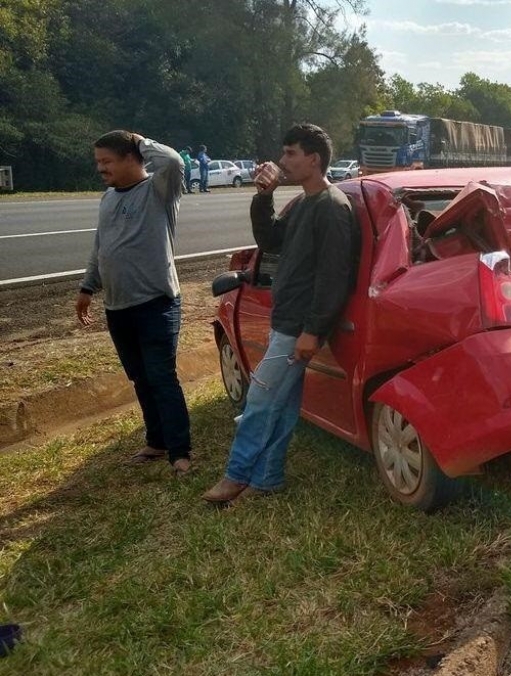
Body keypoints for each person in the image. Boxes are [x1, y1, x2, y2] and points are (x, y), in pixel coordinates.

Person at [202, 123, 358, 504]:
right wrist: (263, 196)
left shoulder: (333, 208)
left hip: (298, 327)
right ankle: (268, 478)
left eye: (290, 153)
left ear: (313, 159)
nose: (282, 161)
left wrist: (312, 331)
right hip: (286, 320)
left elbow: (333, 278)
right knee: (282, 406)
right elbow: (271, 240)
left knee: (259, 401)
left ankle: (236, 475)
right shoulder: (305, 203)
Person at [76, 131, 192, 475]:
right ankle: (156, 442)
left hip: (157, 304)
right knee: (140, 378)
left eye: (107, 161)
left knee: (161, 376)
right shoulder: (108, 198)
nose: (101, 168)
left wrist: (141, 141)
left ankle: (180, 452)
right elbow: (101, 246)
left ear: (131, 158)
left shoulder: (159, 190)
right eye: (98, 162)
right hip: (118, 306)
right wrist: (87, 286)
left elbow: (173, 161)